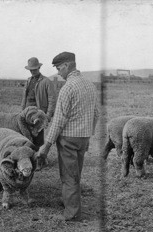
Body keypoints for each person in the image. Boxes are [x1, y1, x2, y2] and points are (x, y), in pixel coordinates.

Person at [36, 52, 100, 222]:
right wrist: (88, 134)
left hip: (68, 139)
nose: (58, 72)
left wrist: (46, 145)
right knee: (75, 173)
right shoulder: (90, 85)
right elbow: (96, 113)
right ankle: (69, 202)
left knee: (69, 176)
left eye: (58, 68)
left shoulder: (67, 88)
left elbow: (58, 120)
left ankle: (72, 214)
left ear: (66, 65)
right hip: (82, 138)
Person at [21, 57, 57, 149]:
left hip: (39, 114)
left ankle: (39, 159)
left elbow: (52, 100)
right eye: (30, 70)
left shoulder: (46, 81)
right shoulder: (28, 80)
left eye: (34, 69)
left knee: (38, 138)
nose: (32, 71)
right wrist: (22, 112)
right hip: (27, 113)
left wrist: (48, 116)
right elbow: (24, 98)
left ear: (39, 68)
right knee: (26, 136)